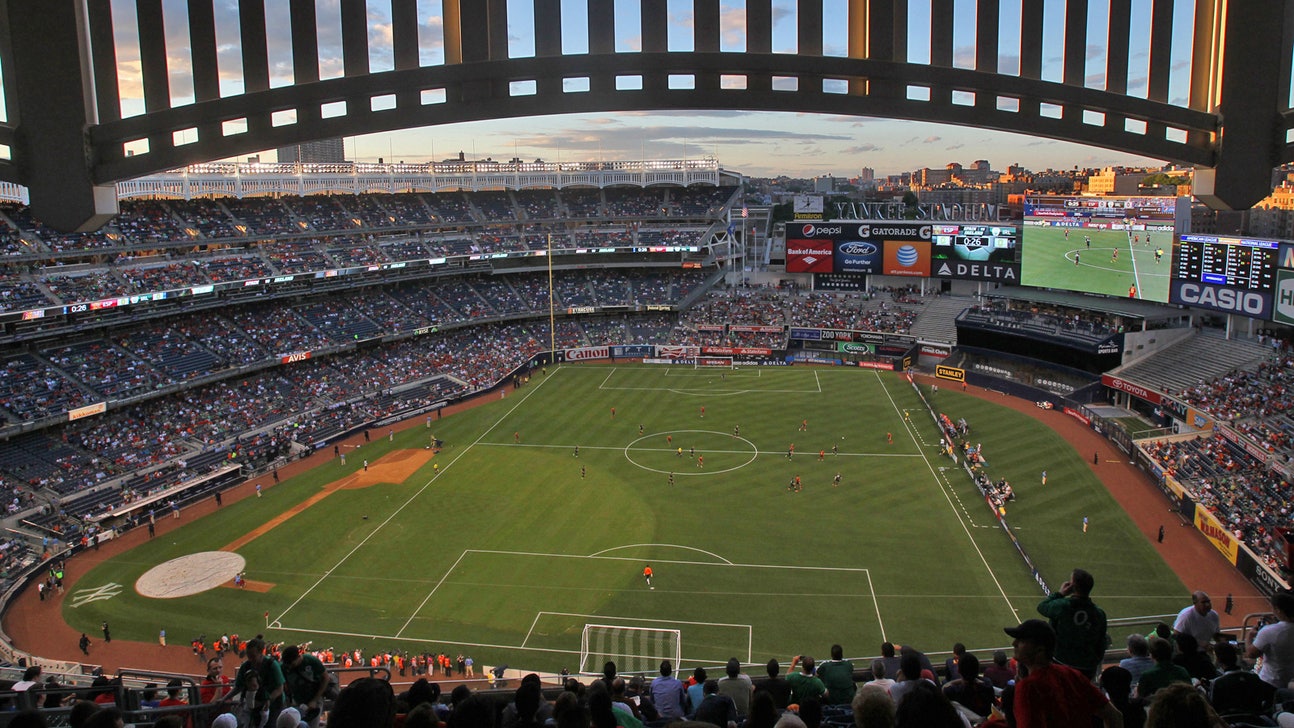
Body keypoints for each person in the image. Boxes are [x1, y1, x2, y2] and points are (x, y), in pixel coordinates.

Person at [1005, 619, 1122, 728]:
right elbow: (1114, 716)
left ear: (1040, 650)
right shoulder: (1071, 674)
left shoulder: (1028, 687)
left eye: (1022, 641)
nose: (1014, 643)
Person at [1036, 568, 1109, 677]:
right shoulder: (1099, 614)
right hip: (1087, 667)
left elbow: (1042, 607)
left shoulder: (1063, 606)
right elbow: (1101, 642)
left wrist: (1060, 593)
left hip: (1060, 662)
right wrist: (1094, 661)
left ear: (1072, 586)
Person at [230, 637, 285, 728]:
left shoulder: (272, 665)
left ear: (261, 653)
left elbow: (279, 689)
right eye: (248, 656)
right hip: (255, 703)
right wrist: (224, 699)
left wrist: (267, 700)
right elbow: (238, 686)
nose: (250, 659)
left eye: (253, 656)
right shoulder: (246, 666)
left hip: (274, 704)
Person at [1247, 589, 1294, 688]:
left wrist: (1250, 636)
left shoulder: (1269, 631)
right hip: (1290, 682)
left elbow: (1251, 654)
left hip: (1269, 682)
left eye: (1272, 607)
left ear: (1278, 610)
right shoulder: (1273, 630)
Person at [280, 645, 329, 727]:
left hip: (314, 699)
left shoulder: (311, 661)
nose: (289, 666)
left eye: (291, 663)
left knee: (312, 724)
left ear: (298, 657)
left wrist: (315, 700)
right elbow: (285, 684)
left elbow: (326, 678)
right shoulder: (284, 666)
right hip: (297, 700)